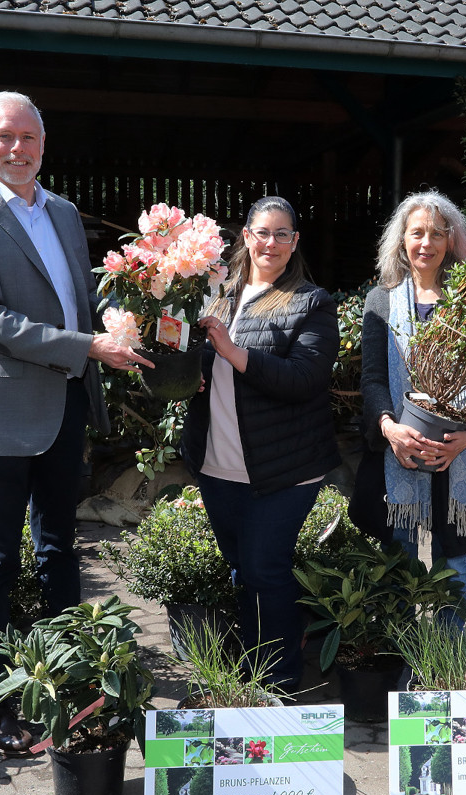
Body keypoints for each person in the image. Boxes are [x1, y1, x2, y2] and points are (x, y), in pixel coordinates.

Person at [0, 91, 150, 755]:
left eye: (28, 136)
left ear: (44, 144)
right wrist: (88, 346)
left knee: (60, 547)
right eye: (4, 136)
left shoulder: (62, 212)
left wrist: (128, 313)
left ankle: (70, 682)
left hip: (65, 402)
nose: (17, 148)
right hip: (3, 412)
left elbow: (78, 298)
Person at [180, 196, 340, 691]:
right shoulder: (215, 293)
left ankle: (280, 682)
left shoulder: (310, 302)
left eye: (282, 234)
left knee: (265, 569)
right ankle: (251, 669)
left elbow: (305, 379)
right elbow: (191, 358)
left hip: (284, 467)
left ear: (295, 242)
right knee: (243, 570)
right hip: (219, 463)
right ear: (246, 237)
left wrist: (232, 351)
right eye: (262, 232)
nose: (271, 243)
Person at [351, 191, 466, 626]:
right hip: (401, 448)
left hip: (454, 449)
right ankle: (401, 648)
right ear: (402, 240)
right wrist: (389, 428)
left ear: (451, 240)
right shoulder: (381, 301)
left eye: (436, 234)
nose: (426, 243)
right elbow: (373, 379)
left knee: (454, 568)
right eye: (417, 233)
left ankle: (450, 651)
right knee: (399, 560)